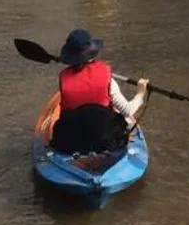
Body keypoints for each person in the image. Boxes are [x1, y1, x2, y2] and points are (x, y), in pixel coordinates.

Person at [48, 28, 148, 156]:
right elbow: (127, 111)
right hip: (104, 142)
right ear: (92, 53)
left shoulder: (64, 78)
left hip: (70, 143)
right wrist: (140, 93)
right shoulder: (107, 78)